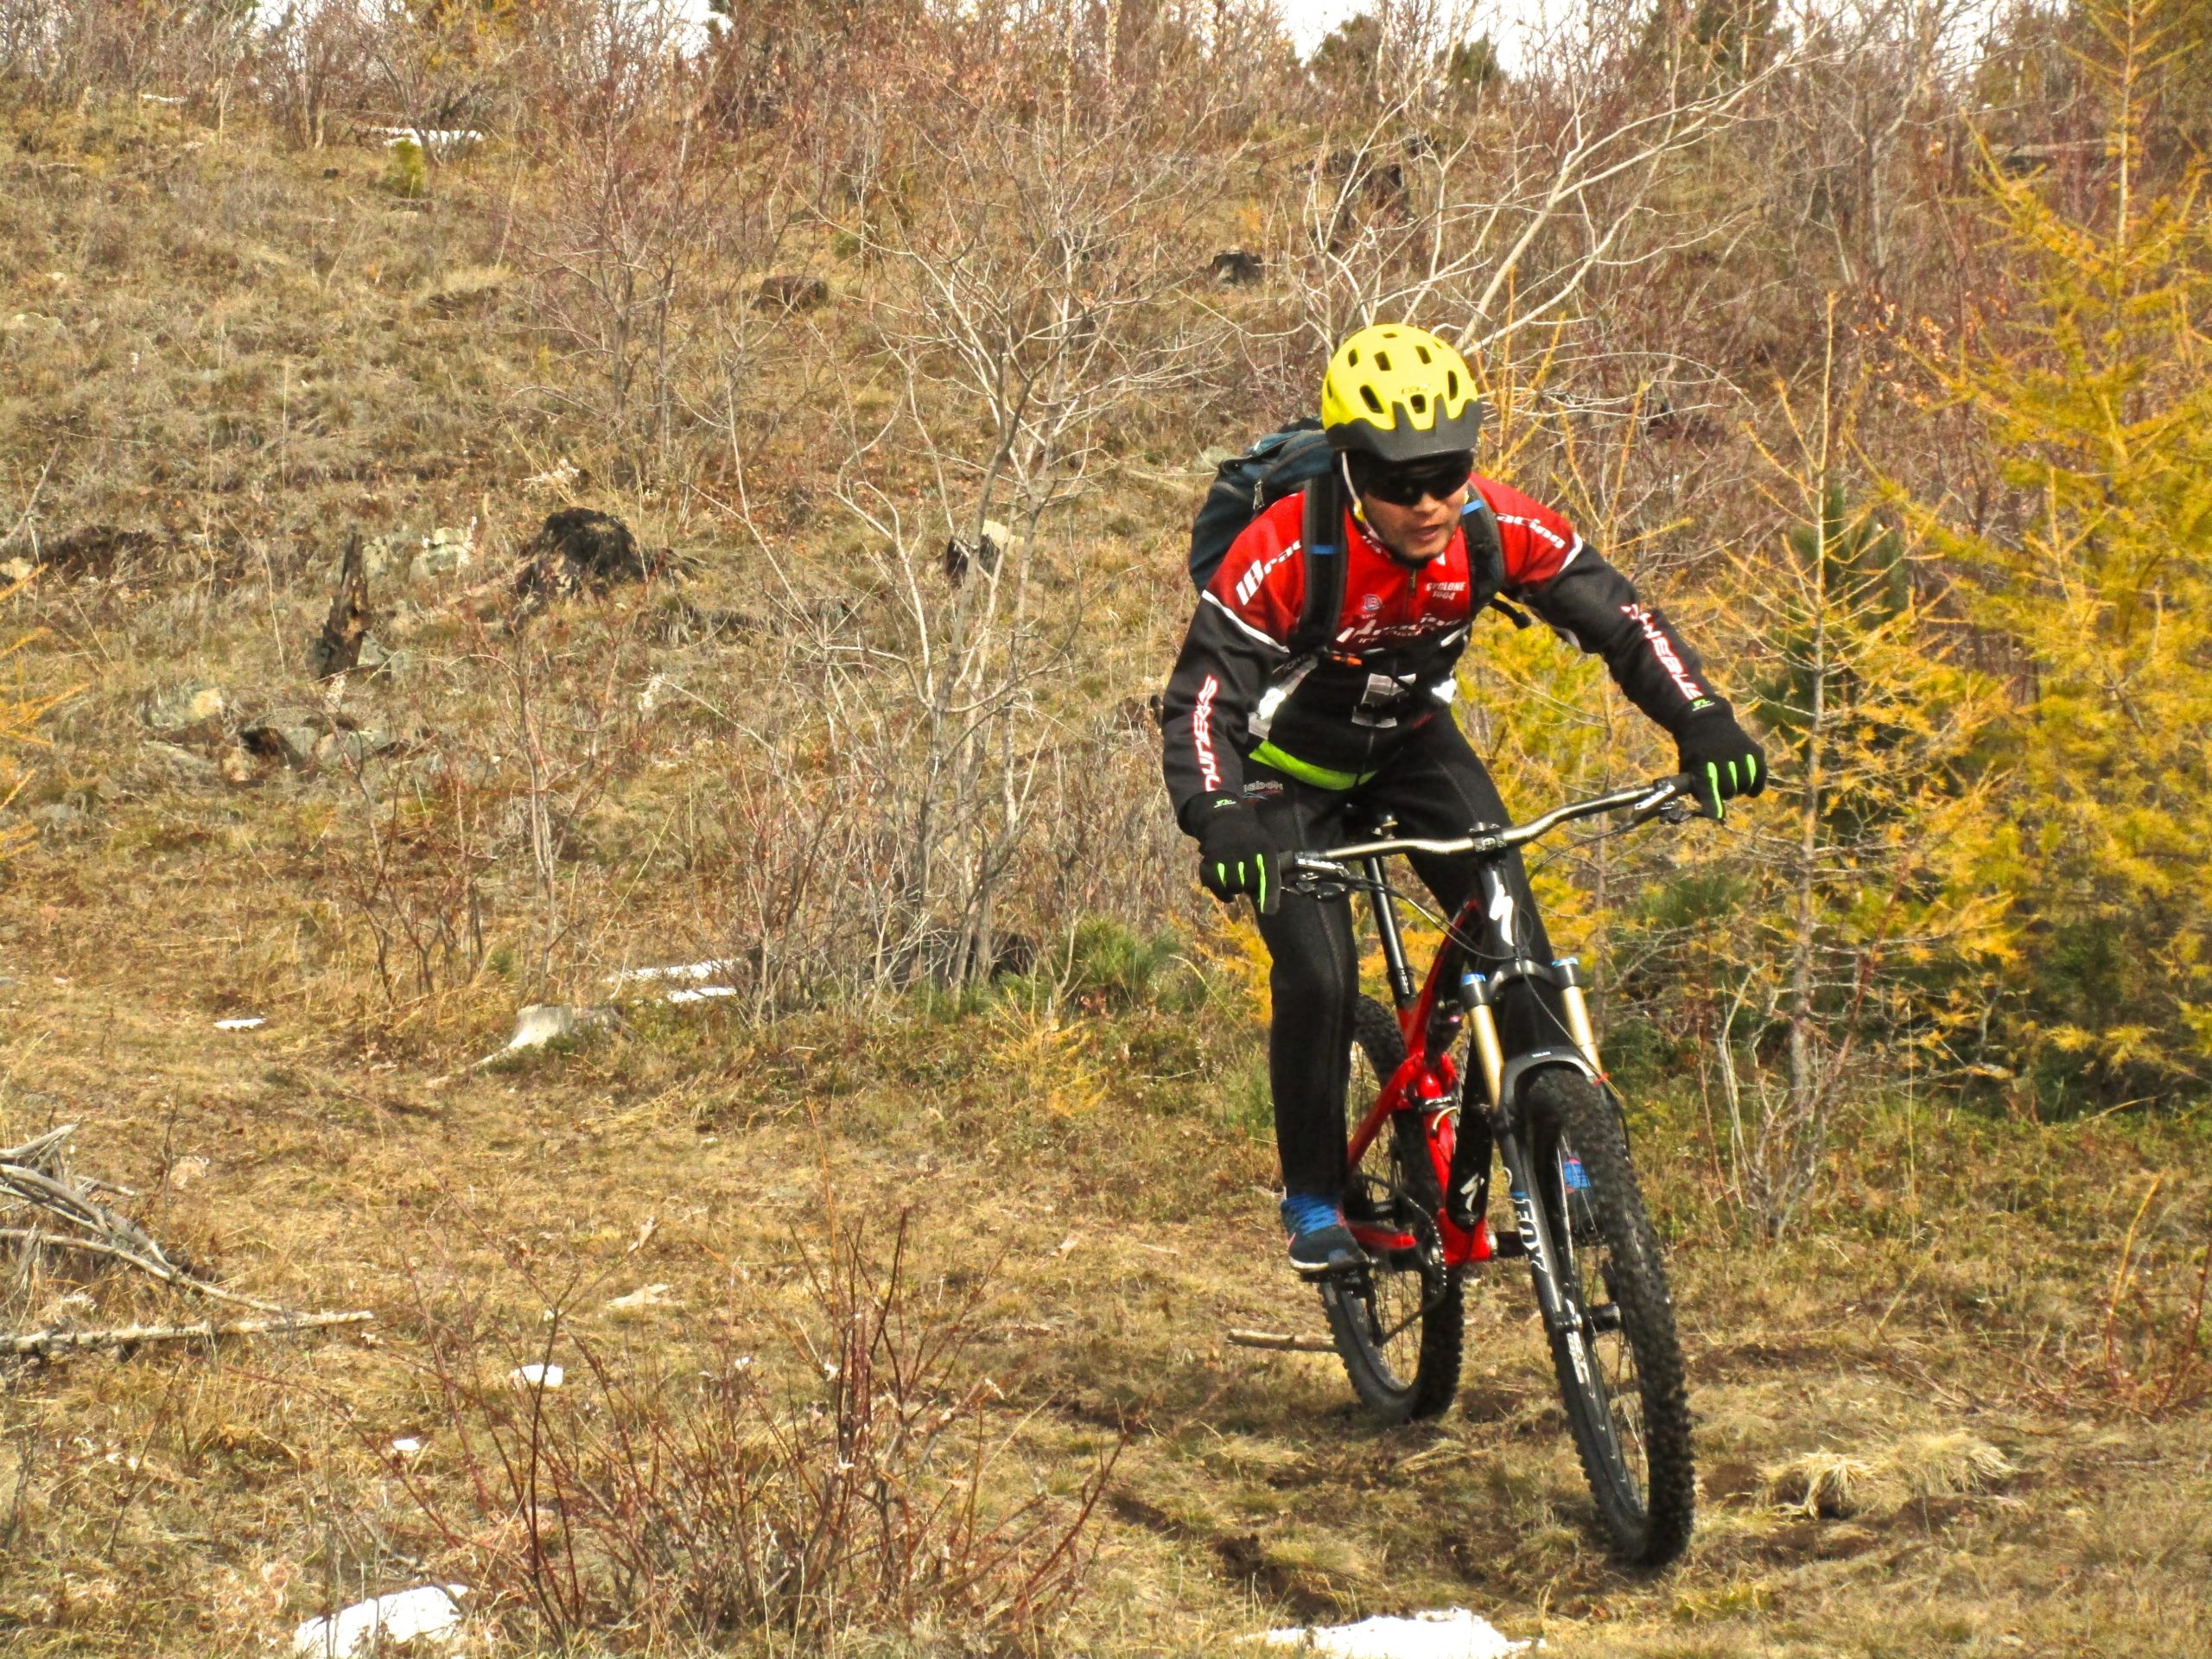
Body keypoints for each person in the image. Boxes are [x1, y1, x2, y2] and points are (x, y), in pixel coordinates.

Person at [1159, 323, 1764, 1274]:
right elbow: (1203, 698)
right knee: (1319, 979)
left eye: (1448, 472)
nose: (1431, 501)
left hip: (1408, 749)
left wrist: (1700, 718)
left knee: (1512, 929)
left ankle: (1559, 1156)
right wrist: (1219, 812)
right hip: (1284, 776)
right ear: (1353, 470)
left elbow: (1622, 618)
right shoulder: (1285, 550)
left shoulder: (1493, 524)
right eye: (1401, 482)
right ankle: (1315, 1195)